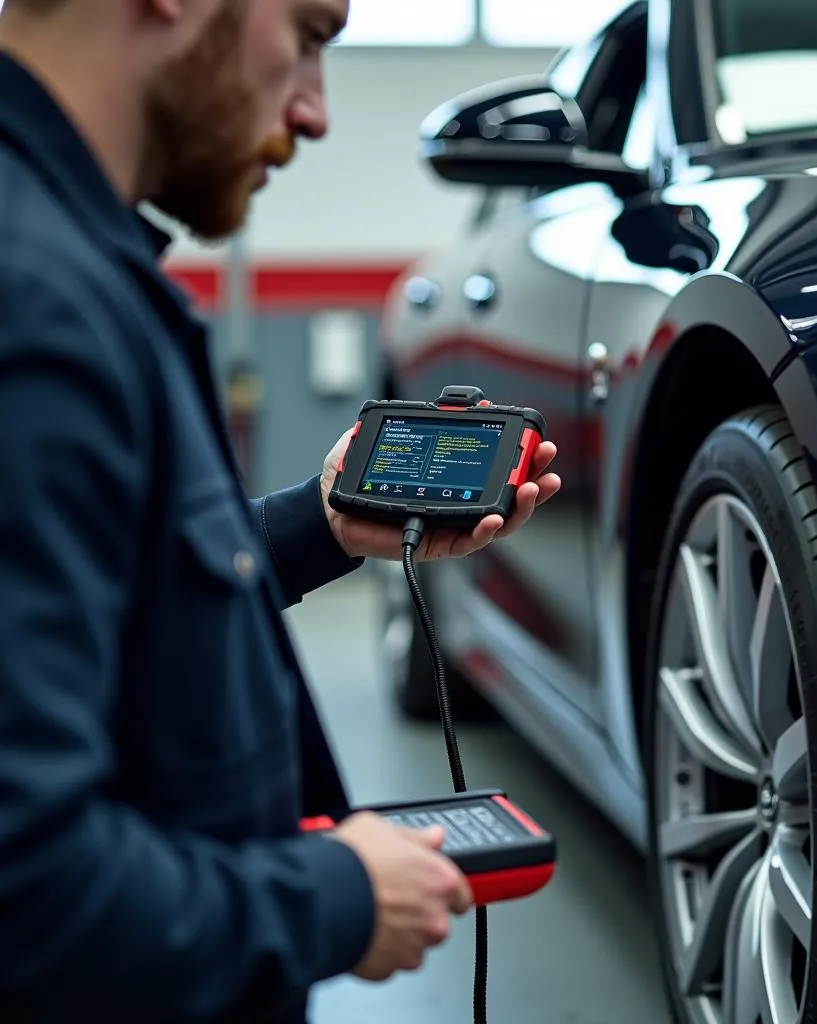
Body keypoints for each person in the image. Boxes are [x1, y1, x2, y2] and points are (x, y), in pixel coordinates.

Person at [0, 0, 562, 1019]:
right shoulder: (37, 311)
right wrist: (334, 898)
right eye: (306, 34)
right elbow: (27, 891)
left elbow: (109, 593)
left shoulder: (72, 266)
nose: (314, 112)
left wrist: (318, 522)